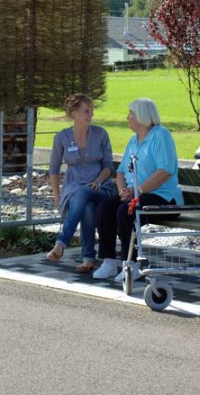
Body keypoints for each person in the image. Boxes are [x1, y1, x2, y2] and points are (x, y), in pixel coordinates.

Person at [93, 98, 184, 280]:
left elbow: (165, 171)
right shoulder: (133, 140)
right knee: (104, 208)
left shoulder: (161, 135)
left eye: (131, 113)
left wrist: (138, 190)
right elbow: (120, 172)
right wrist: (122, 191)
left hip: (164, 197)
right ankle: (109, 262)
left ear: (142, 116)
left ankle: (131, 265)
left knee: (126, 210)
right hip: (135, 194)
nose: (127, 117)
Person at [45, 93, 115, 273]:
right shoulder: (61, 137)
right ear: (73, 113)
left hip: (101, 187)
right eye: (86, 111)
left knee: (83, 193)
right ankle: (88, 258)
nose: (90, 114)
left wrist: (98, 181)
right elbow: (53, 169)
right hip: (74, 188)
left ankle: (61, 242)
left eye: (91, 110)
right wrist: (57, 196)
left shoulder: (100, 134)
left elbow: (108, 166)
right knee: (87, 207)